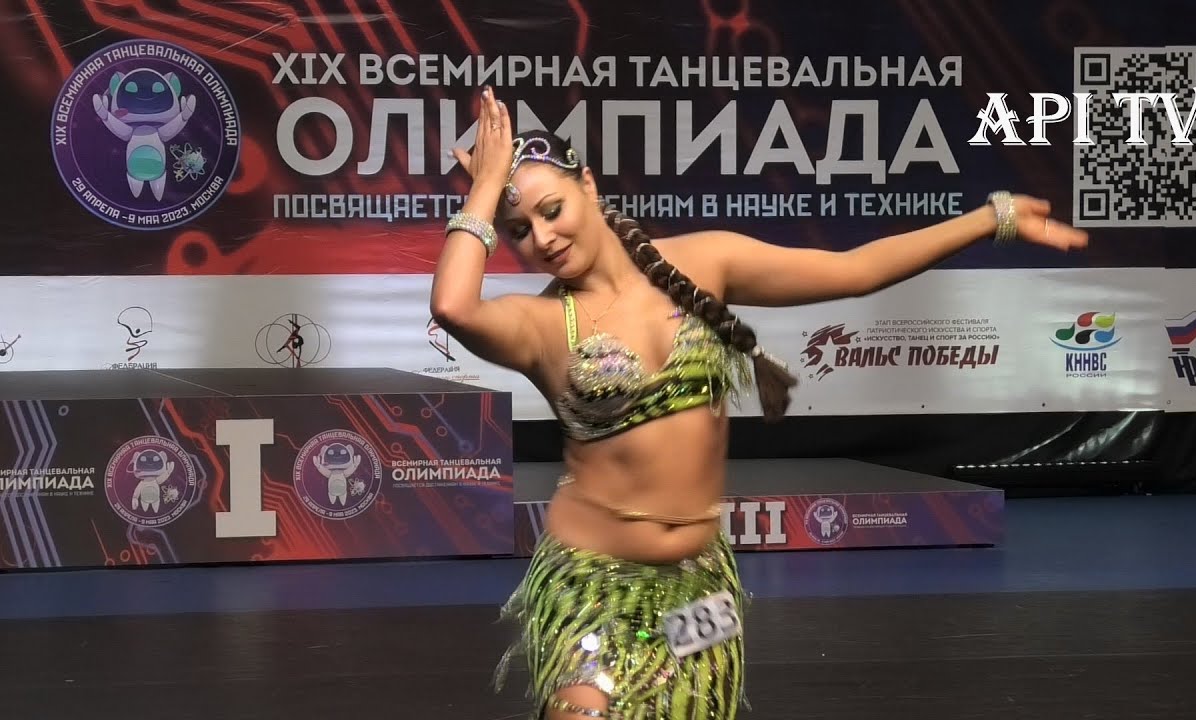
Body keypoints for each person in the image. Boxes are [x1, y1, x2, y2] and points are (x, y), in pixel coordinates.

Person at [430, 87, 1088, 719]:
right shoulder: (541, 325)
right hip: (590, 586)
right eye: (519, 229)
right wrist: (485, 190)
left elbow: (855, 271)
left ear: (590, 186)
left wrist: (991, 217)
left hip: (700, 591)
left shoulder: (704, 262)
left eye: (552, 210)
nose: (542, 237)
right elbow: (454, 306)